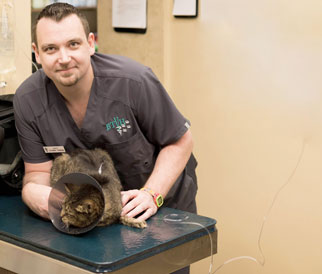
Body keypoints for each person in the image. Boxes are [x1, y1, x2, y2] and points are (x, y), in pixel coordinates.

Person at [14, 3, 197, 274]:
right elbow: (38, 172)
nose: (63, 58)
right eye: (51, 48)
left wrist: (152, 194)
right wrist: (34, 194)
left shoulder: (133, 82)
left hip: (158, 212)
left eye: (73, 44)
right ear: (37, 54)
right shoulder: (28, 100)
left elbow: (180, 141)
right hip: (89, 220)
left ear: (91, 43)